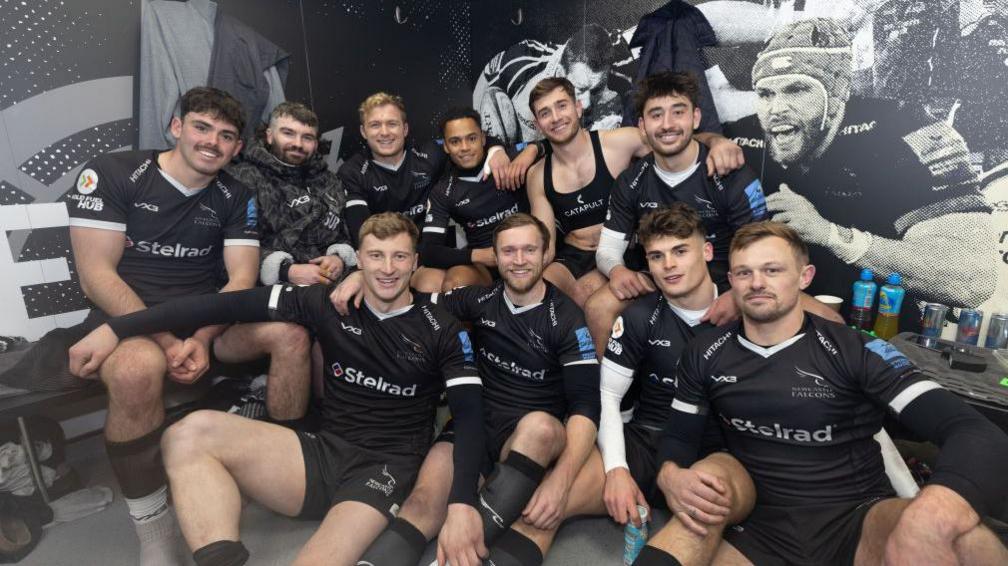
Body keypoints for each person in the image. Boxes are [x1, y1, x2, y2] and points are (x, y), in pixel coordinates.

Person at [68, 213, 488, 566]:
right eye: (376, 256)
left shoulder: (442, 329)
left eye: (399, 257)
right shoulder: (326, 302)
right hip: (322, 453)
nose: (388, 268)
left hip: (384, 470)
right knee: (187, 434)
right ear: (359, 259)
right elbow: (221, 306)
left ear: (415, 262)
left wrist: (464, 500)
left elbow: (469, 416)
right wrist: (116, 327)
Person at [635, 220, 1008, 566]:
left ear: (804, 276)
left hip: (856, 518)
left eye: (772, 270)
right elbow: (679, 437)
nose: (757, 283)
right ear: (731, 279)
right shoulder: (705, 352)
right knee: (702, 494)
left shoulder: (855, 349)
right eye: (745, 273)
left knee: (965, 540)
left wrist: (930, 516)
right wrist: (669, 474)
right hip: (757, 522)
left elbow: (975, 432)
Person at [63, 86, 311, 565]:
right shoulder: (114, 172)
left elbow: (240, 278)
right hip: (130, 324)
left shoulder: (237, 194)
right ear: (176, 127)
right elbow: (97, 277)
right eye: (201, 127)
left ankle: (280, 468)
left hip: (206, 327)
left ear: (238, 147)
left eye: (226, 136)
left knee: (292, 335)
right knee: (136, 370)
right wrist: (165, 338)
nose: (212, 142)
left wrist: (198, 338)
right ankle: (154, 531)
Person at [335, 213, 599, 566]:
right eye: (508, 251)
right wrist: (360, 277)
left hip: (526, 438)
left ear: (546, 253)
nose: (518, 260)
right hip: (475, 424)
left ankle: (458, 549)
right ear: (496, 256)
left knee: (541, 426)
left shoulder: (567, 318)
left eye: (528, 250)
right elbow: (408, 300)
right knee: (422, 502)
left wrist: (560, 483)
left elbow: (585, 406)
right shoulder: (479, 299)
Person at [479, 204, 734, 565]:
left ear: (706, 251)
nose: (670, 265)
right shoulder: (639, 316)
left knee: (704, 510)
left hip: (715, 448)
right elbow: (607, 396)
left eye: (680, 251)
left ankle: (652, 525)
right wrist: (616, 470)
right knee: (545, 505)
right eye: (657, 256)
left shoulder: (745, 305)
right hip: (648, 438)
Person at [723, 17, 996, 331]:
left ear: (838, 90)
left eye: (796, 90)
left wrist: (831, 234)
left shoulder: (904, 130)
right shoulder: (739, 138)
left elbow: (973, 279)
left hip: (875, 334)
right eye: (766, 94)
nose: (776, 109)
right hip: (772, 326)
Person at [582, 71, 779, 356]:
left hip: (723, 281)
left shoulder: (730, 175)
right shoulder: (632, 180)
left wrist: (738, 295)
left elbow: (763, 248)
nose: (667, 125)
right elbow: (608, 249)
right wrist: (617, 270)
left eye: (678, 112)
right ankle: (617, 399)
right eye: (656, 115)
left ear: (695, 118)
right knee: (599, 306)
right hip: (661, 277)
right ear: (642, 126)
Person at [524, 76, 746, 307]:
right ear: (537, 124)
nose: (556, 117)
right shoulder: (537, 175)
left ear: (578, 107)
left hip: (625, 247)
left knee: (585, 293)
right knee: (540, 289)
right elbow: (545, 247)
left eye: (562, 106)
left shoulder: (621, 141)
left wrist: (716, 141)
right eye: (545, 112)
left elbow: (672, 140)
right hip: (576, 254)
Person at [339, 92, 535, 249]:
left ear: (405, 129)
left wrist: (496, 149)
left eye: (392, 124)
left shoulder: (430, 154)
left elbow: (466, 141)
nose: (384, 132)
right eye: (375, 125)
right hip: (386, 254)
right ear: (363, 132)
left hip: (429, 251)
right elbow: (361, 234)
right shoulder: (353, 171)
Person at [227, 101, 354, 286]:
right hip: (273, 291)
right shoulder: (244, 179)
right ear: (269, 135)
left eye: (307, 137)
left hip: (332, 287)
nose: (298, 144)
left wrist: (338, 258)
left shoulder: (328, 179)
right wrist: (286, 271)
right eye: (288, 133)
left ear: (316, 143)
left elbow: (344, 233)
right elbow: (232, 249)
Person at [418, 107, 530, 292]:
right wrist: (479, 255)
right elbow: (430, 252)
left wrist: (533, 149)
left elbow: (551, 144)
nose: (464, 148)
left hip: (528, 253)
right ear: (445, 146)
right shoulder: (443, 191)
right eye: (455, 141)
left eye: (472, 138)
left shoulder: (508, 160)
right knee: (456, 285)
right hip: (487, 266)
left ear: (483, 138)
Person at [473, 23, 632, 146]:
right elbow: (486, 81)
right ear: (561, 72)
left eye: (596, 90)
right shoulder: (522, 63)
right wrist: (490, 143)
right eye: (580, 89)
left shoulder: (616, 90)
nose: (586, 103)